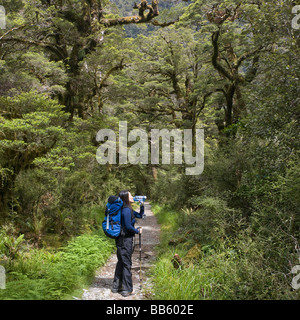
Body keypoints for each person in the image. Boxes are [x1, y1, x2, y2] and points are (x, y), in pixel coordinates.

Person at [111, 190, 144, 297]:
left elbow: (139, 215)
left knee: (121, 261)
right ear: (126, 197)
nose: (132, 196)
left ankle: (116, 287)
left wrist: (142, 205)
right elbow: (128, 226)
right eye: (130, 195)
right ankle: (127, 289)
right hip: (125, 239)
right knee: (126, 263)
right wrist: (137, 231)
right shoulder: (125, 210)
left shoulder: (128, 209)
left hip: (122, 239)